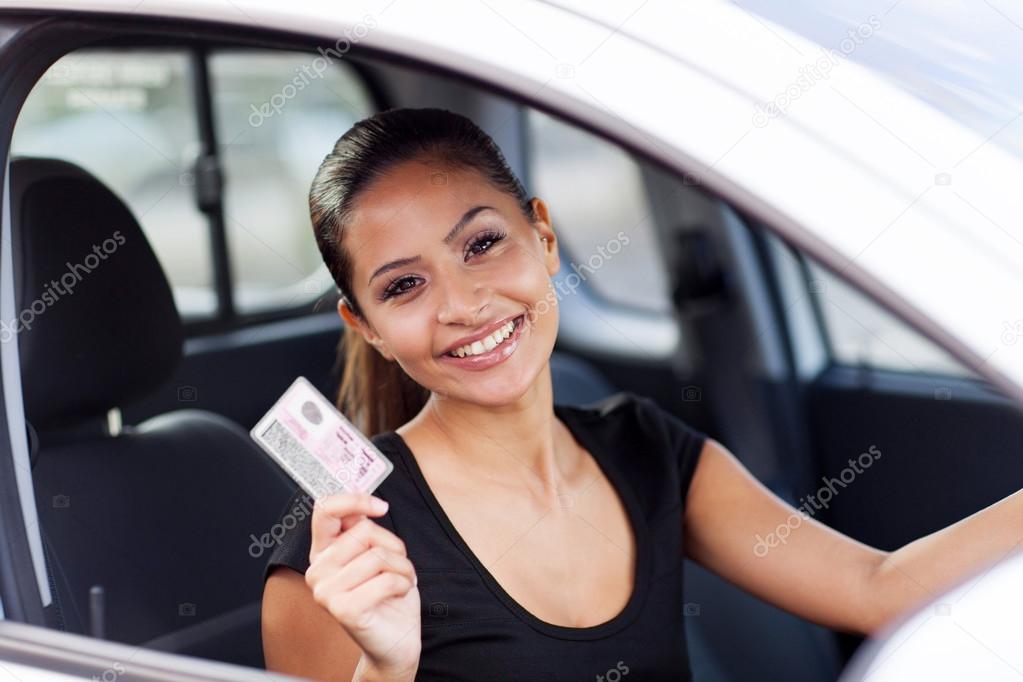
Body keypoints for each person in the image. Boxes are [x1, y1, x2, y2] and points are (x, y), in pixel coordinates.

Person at [260, 107, 1023, 681]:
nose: (463, 303)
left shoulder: (647, 450)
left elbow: (877, 588)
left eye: (482, 243)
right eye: (405, 286)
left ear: (545, 239)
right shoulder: (342, 560)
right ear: (367, 327)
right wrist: (386, 667)